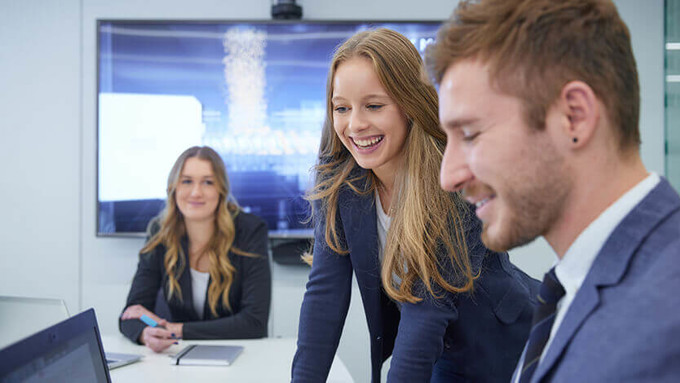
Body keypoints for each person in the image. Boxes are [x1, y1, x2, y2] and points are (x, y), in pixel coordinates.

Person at [427, 0, 680, 382]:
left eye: (470, 135)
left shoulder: (663, 321)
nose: (449, 176)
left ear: (573, 117)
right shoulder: (575, 287)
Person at [291, 28, 538, 382]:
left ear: (409, 103)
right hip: (434, 348)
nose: (355, 124)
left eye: (374, 106)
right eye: (341, 108)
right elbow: (324, 296)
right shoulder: (340, 184)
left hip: (503, 343)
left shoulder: (451, 179)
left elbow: (429, 306)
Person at [119, 146, 271, 352]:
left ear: (221, 190)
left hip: (240, 355)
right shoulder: (160, 232)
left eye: (208, 182)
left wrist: (176, 329)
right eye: (187, 181)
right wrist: (148, 331)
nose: (196, 192)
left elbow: (254, 322)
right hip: (178, 358)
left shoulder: (250, 231)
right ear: (174, 188)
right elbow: (132, 314)